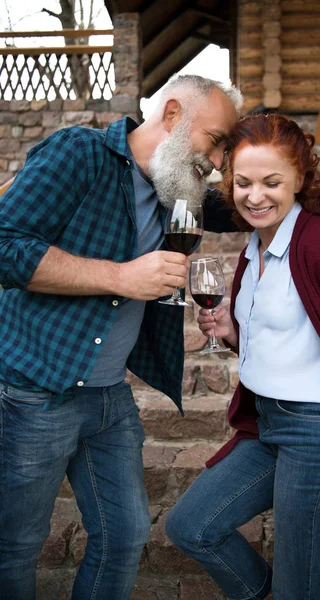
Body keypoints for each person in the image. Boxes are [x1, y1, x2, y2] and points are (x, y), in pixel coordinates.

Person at [0, 74, 242, 600]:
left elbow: (244, 200)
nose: (220, 163)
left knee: (125, 536)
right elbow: (4, 246)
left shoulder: (176, 182)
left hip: (109, 398)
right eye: (217, 140)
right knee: (16, 546)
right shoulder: (78, 153)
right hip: (34, 395)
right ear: (173, 116)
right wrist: (121, 276)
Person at [166, 113, 320, 600]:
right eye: (244, 182)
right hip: (270, 427)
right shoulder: (256, 246)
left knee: (303, 590)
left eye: (272, 182)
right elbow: (281, 336)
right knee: (191, 527)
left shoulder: (319, 243)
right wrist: (233, 331)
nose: (256, 196)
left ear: (299, 180)